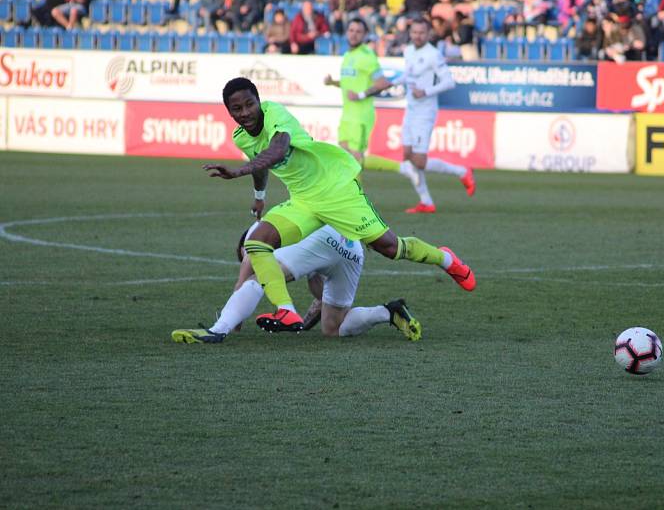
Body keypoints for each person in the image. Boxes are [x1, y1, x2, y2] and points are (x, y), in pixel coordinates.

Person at [201, 77, 475, 333]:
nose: (245, 112)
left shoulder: (276, 114)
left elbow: (278, 149)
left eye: (249, 104)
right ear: (229, 113)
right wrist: (259, 196)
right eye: (236, 109)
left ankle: (446, 259)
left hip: (337, 189)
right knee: (257, 242)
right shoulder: (241, 136)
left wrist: (239, 171)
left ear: (259, 101)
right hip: (304, 201)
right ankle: (286, 310)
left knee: (390, 248)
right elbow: (262, 162)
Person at [171, 222, 421, 343]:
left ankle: (217, 331)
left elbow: (247, 275)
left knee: (260, 277)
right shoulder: (288, 234)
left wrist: (232, 320)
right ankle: (388, 312)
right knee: (333, 327)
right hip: (350, 246)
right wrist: (322, 303)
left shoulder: (255, 234)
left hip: (322, 237)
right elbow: (317, 283)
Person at [358, 18, 475, 214]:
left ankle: (463, 171)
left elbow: (449, 82)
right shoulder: (409, 51)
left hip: (425, 112)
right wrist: (394, 81)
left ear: (428, 34)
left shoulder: (433, 55)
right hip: (411, 109)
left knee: (419, 160)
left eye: (421, 33)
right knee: (406, 155)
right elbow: (409, 75)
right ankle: (426, 202)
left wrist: (426, 91)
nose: (417, 36)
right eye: (414, 32)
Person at [323, 17, 404, 174]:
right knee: (345, 157)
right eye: (351, 30)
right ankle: (351, 195)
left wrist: (360, 95)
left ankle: (401, 168)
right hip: (347, 114)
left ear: (365, 35)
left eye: (358, 32)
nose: (354, 35)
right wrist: (333, 82)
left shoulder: (367, 56)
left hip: (361, 115)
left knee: (355, 159)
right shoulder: (348, 55)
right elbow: (350, 82)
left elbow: (383, 83)